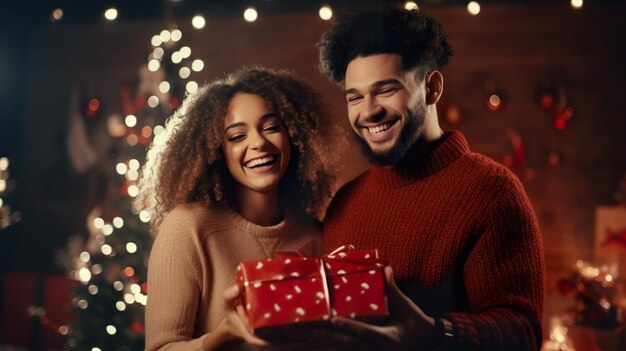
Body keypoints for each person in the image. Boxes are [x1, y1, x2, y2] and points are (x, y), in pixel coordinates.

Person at [316, 5, 545, 351]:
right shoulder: (344, 203)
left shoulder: (492, 192)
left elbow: (522, 333)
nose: (369, 110)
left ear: (432, 87)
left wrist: (433, 332)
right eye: (355, 97)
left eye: (386, 90)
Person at [141, 67, 339, 350]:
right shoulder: (188, 228)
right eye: (236, 136)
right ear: (216, 150)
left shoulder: (313, 232)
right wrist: (225, 335)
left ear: (294, 137)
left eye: (271, 127)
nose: (258, 142)